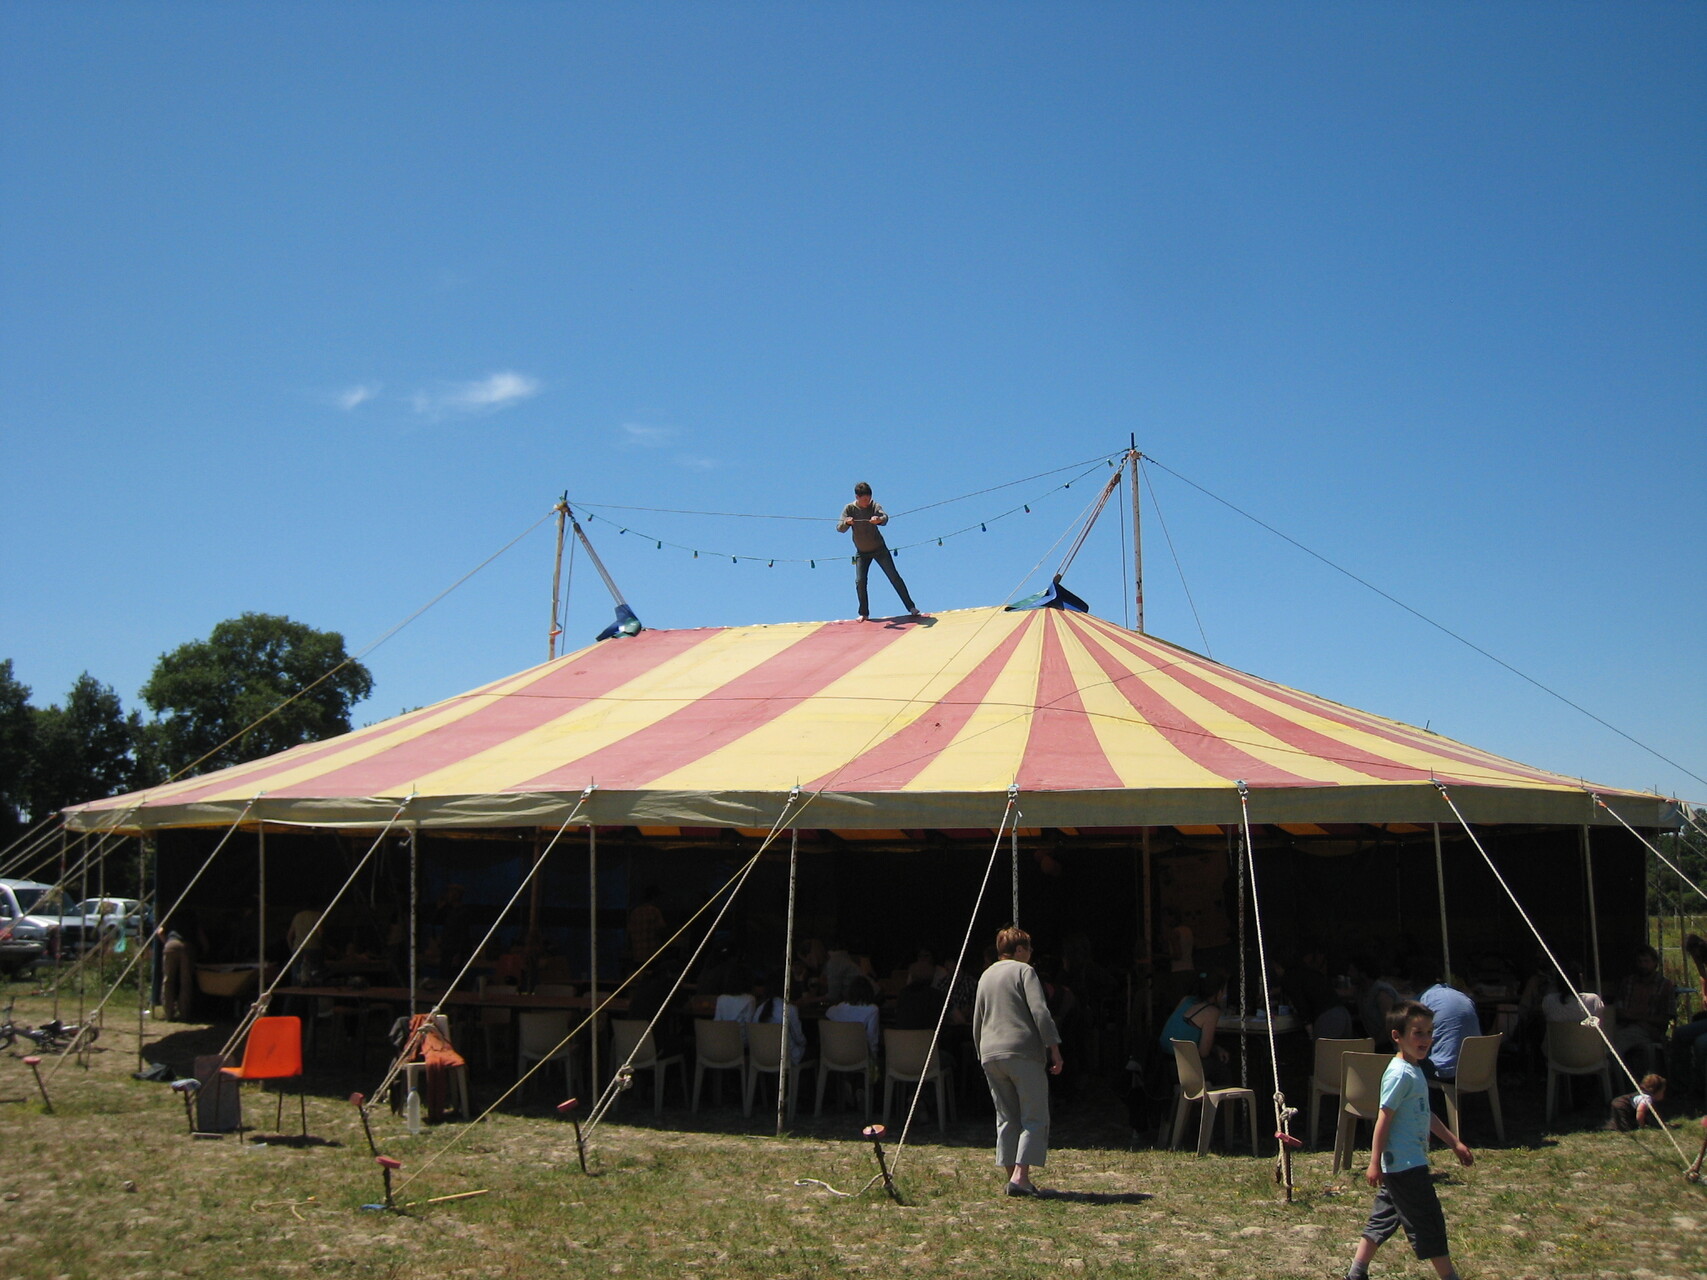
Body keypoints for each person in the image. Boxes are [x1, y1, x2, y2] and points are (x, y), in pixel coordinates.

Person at [1342, 1001, 1475, 1280]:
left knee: (1383, 1218)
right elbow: (1383, 1119)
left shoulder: (1415, 1070)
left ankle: (1356, 1272)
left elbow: (1426, 1115)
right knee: (1428, 1222)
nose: (1426, 1039)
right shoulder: (1400, 1074)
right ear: (1397, 1036)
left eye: (1429, 1032)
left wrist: (1454, 1143)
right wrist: (1374, 1162)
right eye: (1418, 1033)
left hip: (1403, 1165)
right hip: (1405, 1166)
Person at [971, 926, 1063, 1198]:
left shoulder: (985, 975)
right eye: (1029, 948)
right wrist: (1054, 1049)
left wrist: (980, 1053)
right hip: (1022, 1052)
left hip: (991, 1053)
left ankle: (1012, 1176)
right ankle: (1021, 1176)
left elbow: (977, 1018)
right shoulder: (1025, 971)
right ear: (1020, 950)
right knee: (1034, 1115)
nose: (1031, 953)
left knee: (1006, 1117)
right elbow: (1040, 1012)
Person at [836, 481, 920, 620]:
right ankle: (864, 613)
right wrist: (847, 522)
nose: (867, 502)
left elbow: (885, 517)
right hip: (862, 553)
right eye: (864, 500)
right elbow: (839, 528)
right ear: (857, 497)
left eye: (868, 499)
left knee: (894, 576)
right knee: (860, 581)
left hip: (879, 549)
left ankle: (911, 607)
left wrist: (878, 520)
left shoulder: (874, 505)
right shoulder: (849, 509)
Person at [1410, 957, 1480, 1082]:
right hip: (1479, 1068)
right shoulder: (1462, 996)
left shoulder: (1421, 1001)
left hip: (1446, 1072)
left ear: (1414, 983)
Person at [1158, 971, 1230, 1085]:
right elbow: (1204, 1052)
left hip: (1163, 1065)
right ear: (1219, 992)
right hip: (1183, 1069)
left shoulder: (1186, 1000)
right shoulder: (1211, 1012)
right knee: (1222, 1069)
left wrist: (1216, 1048)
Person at [1611, 945, 1675, 1068]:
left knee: (1618, 1041)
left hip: (1650, 1031)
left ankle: (1616, 1073)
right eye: (1640, 962)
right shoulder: (1628, 982)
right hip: (1625, 1025)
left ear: (1655, 963)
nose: (1643, 965)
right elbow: (1619, 1010)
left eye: (1646, 961)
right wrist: (1633, 1017)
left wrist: (1637, 1017)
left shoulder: (1664, 986)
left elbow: (1665, 1018)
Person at [825, 975, 882, 1056]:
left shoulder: (838, 1008)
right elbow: (872, 1037)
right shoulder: (872, 1009)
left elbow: (828, 1013)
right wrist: (874, 1056)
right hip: (858, 1055)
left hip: (835, 1054)